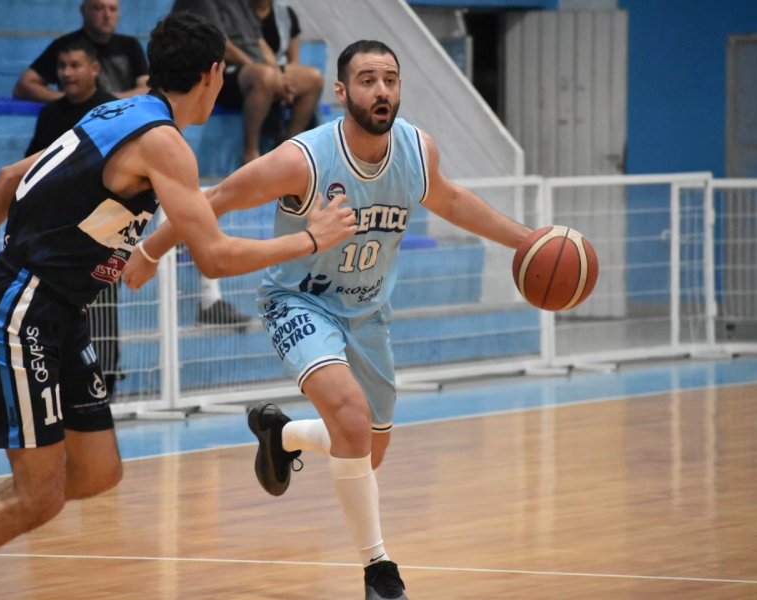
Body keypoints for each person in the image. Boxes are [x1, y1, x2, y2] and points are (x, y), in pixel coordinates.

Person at [0, 12, 356, 600]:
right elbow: (215, 257)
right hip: (22, 304)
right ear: (213, 74)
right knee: (40, 497)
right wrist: (311, 239)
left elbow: (6, 178)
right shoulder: (164, 142)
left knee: (97, 472)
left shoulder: (117, 111)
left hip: (58, 309)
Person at [120, 39, 532, 599]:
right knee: (352, 421)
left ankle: (282, 434)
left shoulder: (417, 151)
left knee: (367, 450)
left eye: (390, 79)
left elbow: (453, 201)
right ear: (340, 92)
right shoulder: (304, 160)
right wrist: (149, 251)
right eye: (368, 79)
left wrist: (526, 240)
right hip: (299, 302)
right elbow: (215, 200)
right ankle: (379, 570)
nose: (382, 89)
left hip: (368, 313)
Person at [24, 37, 124, 398]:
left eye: (75, 65)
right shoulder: (51, 115)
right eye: (62, 66)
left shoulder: (112, 113)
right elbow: (30, 173)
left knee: (102, 316)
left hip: (101, 237)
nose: (67, 73)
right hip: (54, 241)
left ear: (95, 69)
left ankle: (105, 386)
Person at [171, 0, 294, 164]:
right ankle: (250, 152)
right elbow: (222, 46)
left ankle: (290, 148)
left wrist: (279, 76)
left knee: (312, 78)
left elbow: (260, 41)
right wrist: (265, 72)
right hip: (227, 69)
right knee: (263, 77)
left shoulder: (242, 3)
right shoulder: (203, 3)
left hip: (257, 67)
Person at [13, 0, 148, 103]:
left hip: (119, 117)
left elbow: (146, 88)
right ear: (84, 10)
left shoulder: (130, 45)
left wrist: (105, 102)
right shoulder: (66, 46)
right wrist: (68, 100)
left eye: (113, 9)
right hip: (76, 119)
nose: (107, 15)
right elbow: (24, 86)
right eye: (98, 8)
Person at [253, 0, 324, 146]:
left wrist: (288, 82)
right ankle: (252, 149)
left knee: (314, 78)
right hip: (253, 69)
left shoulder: (285, 14)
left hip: (282, 70)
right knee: (266, 78)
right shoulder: (241, 14)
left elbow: (294, 60)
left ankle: (292, 141)